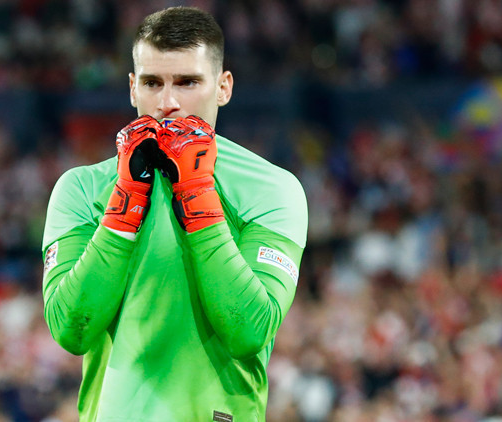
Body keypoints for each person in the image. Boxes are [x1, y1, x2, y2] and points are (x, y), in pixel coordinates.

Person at [41, 6, 307, 421]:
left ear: (223, 87)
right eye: (153, 83)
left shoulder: (271, 188)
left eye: (187, 82)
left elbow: (249, 331)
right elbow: (71, 330)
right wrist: (124, 204)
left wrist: (197, 194)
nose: (168, 103)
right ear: (133, 88)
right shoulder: (81, 189)